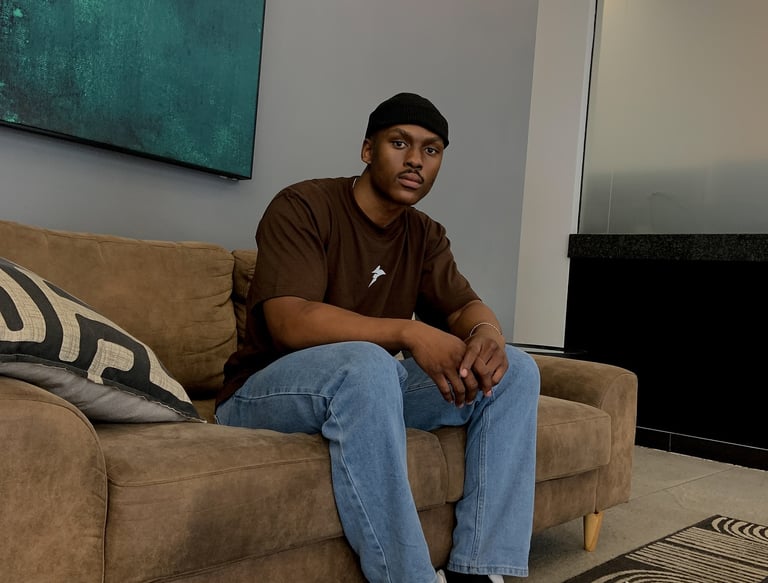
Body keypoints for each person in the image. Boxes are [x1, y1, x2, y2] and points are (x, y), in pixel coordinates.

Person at [215, 92, 540, 583]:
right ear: (368, 150)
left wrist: (487, 334)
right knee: (370, 364)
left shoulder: (425, 234)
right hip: (262, 394)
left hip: (368, 391)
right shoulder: (303, 206)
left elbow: (462, 307)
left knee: (515, 371)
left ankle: (479, 571)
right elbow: (291, 320)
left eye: (431, 150)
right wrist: (409, 330)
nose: (416, 160)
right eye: (400, 143)